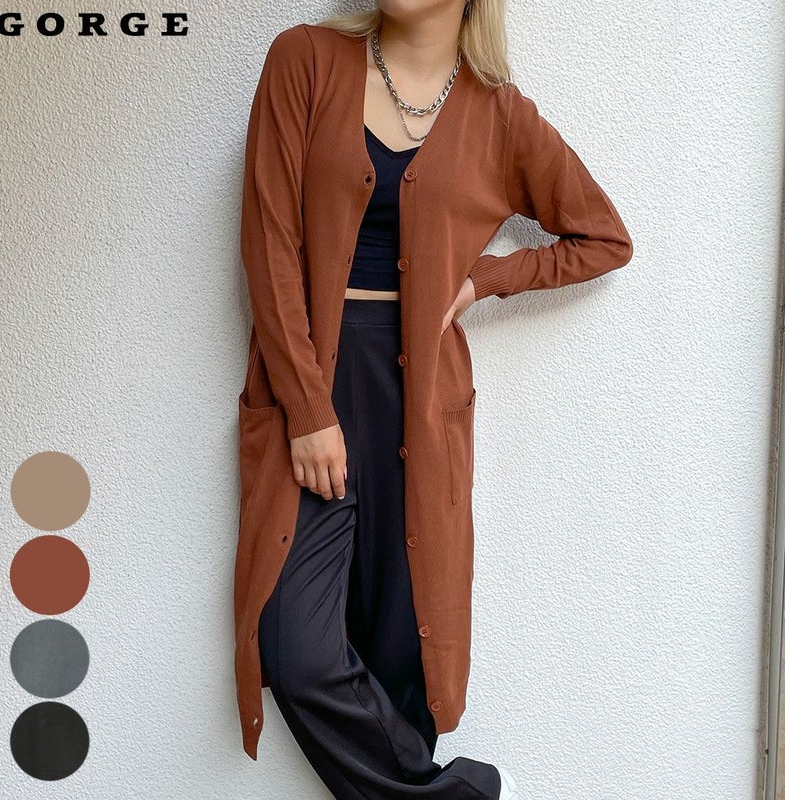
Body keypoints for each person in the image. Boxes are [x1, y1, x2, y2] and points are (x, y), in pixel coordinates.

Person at [235, 2, 633, 798]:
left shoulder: (499, 114)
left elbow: (604, 238)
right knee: (295, 649)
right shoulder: (304, 61)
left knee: (400, 654)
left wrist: (489, 278)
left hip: (420, 406)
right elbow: (269, 241)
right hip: (312, 384)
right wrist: (309, 410)